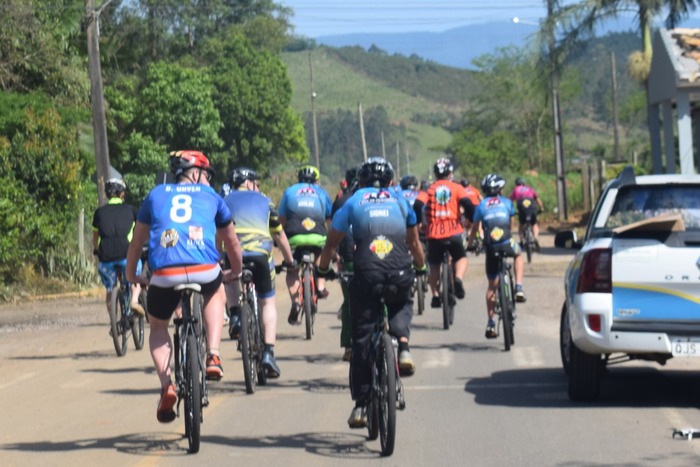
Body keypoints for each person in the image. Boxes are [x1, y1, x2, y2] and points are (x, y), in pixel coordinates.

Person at [126, 150, 243, 423]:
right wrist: (234, 271)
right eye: (206, 174)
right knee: (216, 290)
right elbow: (232, 242)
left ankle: (167, 385)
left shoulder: (155, 194)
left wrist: (132, 275)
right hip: (204, 270)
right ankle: (213, 355)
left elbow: (136, 243)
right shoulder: (212, 196)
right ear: (197, 173)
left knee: (157, 326)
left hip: (165, 273)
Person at [317, 156, 427, 428]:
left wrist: (322, 271)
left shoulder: (353, 201)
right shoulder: (402, 200)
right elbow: (413, 243)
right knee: (402, 299)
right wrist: (421, 268)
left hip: (366, 273)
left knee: (362, 339)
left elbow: (332, 244)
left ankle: (362, 406)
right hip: (399, 270)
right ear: (390, 181)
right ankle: (403, 345)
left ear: (361, 181)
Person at [222, 167, 295, 378]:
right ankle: (269, 354)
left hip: (235, 253)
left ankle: (235, 315)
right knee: (267, 302)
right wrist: (290, 262)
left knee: (230, 276)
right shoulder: (265, 201)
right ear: (251, 183)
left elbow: (219, 234)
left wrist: (219, 255)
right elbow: (279, 236)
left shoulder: (224, 201)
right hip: (261, 254)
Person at [468, 173, 526, 339]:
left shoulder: (481, 206)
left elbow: (474, 229)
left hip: (491, 246)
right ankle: (519, 287)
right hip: (507, 241)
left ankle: (491, 322)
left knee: (492, 286)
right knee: (518, 254)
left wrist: (471, 244)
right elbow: (510, 223)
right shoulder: (507, 202)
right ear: (500, 189)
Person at [413, 158, 474, 308]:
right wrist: (470, 220)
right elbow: (468, 204)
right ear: (450, 172)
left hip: (433, 234)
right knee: (461, 257)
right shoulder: (457, 187)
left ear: (435, 173)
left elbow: (417, 204)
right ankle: (458, 279)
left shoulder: (429, 188)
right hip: (454, 231)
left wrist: (418, 222)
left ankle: (435, 295)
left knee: (434, 264)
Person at [278, 164, 333, 325]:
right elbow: (329, 219)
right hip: (318, 235)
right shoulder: (322, 192)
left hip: (294, 235)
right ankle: (320, 286)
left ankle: (295, 302)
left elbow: (282, 218)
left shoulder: (289, 191)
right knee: (321, 251)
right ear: (316, 180)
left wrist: (278, 239)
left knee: (292, 269)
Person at [92, 178, 145, 327]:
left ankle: (114, 322)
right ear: (122, 194)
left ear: (108, 194)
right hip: (127, 256)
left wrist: (96, 250)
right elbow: (140, 233)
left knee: (110, 290)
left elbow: (95, 237)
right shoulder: (131, 210)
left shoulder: (99, 213)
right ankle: (134, 300)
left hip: (106, 258)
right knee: (135, 279)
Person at [332, 165, 360, 361]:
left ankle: (348, 345)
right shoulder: (386, 199)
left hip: (348, 259)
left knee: (350, 302)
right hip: (380, 259)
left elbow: (332, 231)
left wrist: (335, 257)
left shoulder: (341, 201)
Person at [509, 177, 544, 247]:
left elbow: (509, 201)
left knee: (521, 224)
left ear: (516, 184)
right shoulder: (530, 188)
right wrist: (541, 208)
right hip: (532, 206)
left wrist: (511, 211)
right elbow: (538, 200)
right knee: (534, 224)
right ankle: (536, 238)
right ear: (524, 183)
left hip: (522, 207)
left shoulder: (515, 190)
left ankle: (522, 240)